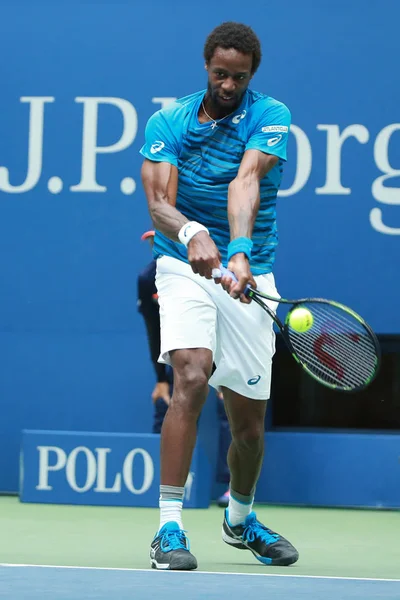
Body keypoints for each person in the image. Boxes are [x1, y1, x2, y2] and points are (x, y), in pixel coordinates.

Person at [140, 21, 299, 570]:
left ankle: (240, 519)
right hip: (181, 265)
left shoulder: (271, 116)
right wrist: (190, 234)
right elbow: (159, 200)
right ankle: (168, 529)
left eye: (239, 77)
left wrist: (236, 252)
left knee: (249, 426)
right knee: (190, 375)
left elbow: (245, 181)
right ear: (205, 66)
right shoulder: (170, 121)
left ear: (251, 75)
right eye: (219, 74)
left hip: (247, 269)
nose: (228, 85)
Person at [137, 229, 231, 503]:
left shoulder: (211, 270)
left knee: (230, 407)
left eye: (162, 240)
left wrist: (224, 372)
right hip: (181, 349)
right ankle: (168, 485)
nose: (156, 247)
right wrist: (161, 379)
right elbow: (154, 329)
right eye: (153, 242)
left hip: (218, 345)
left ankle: (230, 486)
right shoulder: (147, 279)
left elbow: (224, 320)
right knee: (166, 401)